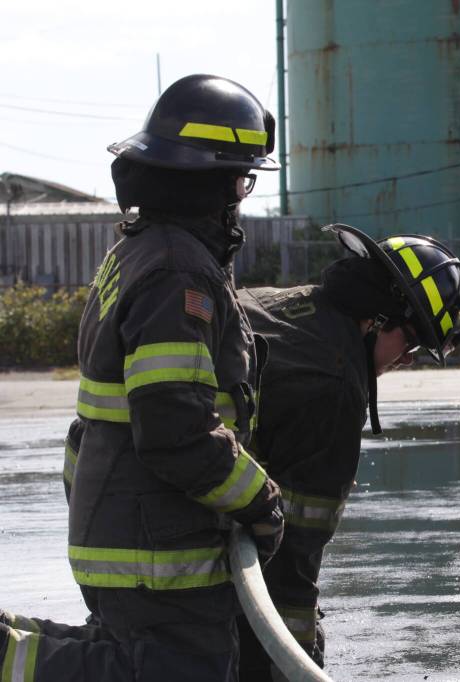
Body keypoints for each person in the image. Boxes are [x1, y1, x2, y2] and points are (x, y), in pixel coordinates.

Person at [0, 74, 285, 681]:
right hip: (153, 542)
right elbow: (174, 427)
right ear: (212, 179)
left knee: (139, 662)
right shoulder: (178, 272)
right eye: (241, 177)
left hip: (129, 523)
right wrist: (258, 499)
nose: (242, 193)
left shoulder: (141, 249)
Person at [235, 224, 460, 679]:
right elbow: (295, 548)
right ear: (377, 319)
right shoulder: (332, 383)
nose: (408, 359)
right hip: (168, 543)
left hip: (124, 499)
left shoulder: (282, 302)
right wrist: (298, 659)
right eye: (412, 342)